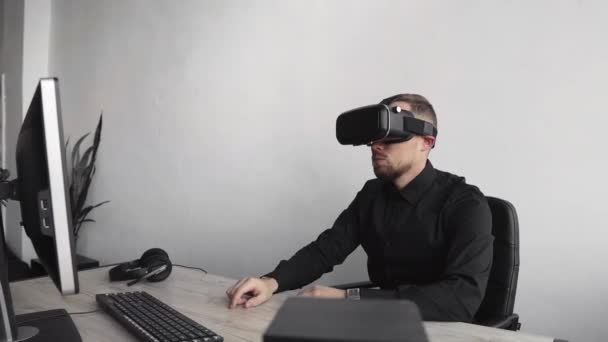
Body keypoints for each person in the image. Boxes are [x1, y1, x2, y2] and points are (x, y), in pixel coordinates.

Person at [225, 94, 494, 322]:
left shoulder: (466, 204)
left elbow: (461, 298)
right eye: (376, 137)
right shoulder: (372, 194)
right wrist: (271, 282)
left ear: (426, 142)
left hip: (441, 329)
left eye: (392, 137)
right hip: (377, 321)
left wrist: (348, 298)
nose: (376, 146)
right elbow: (326, 250)